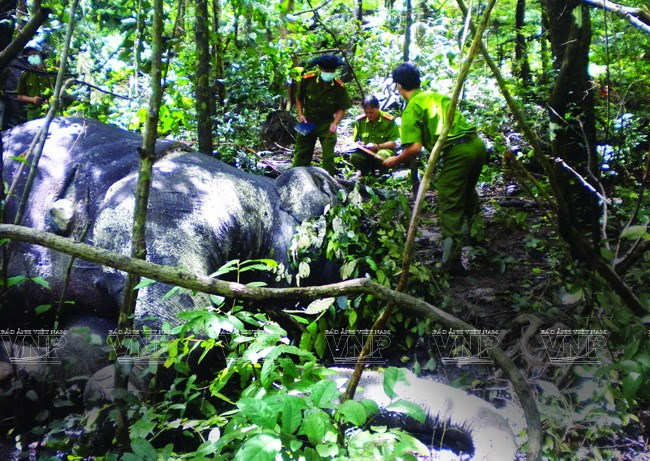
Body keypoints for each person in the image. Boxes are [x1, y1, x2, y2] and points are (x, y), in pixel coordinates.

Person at [385, 63, 488, 274]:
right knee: (467, 193)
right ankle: (476, 239)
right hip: (477, 146)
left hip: (458, 152)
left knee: (449, 201)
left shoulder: (412, 107)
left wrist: (395, 160)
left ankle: (451, 262)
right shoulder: (436, 96)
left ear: (398, 85)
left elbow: (414, 148)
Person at [293, 54, 351, 175]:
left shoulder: (339, 86)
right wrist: (300, 114)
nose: (329, 73)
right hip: (307, 120)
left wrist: (335, 123)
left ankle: (328, 178)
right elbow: (298, 98)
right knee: (301, 152)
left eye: (331, 71)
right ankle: (298, 175)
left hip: (327, 122)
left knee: (329, 156)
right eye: (326, 70)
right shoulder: (308, 79)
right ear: (320, 69)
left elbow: (342, 108)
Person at [349, 95, 400, 176]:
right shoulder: (360, 121)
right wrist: (359, 143)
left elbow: (394, 143)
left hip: (384, 151)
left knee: (382, 155)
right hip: (366, 153)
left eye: (372, 112)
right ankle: (365, 174)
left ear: (378, 108)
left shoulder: (388, 120)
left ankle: (383, 174)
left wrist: (377, 146)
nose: (369, 115)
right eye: (366, 112)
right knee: (355, 157)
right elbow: (355, 140)